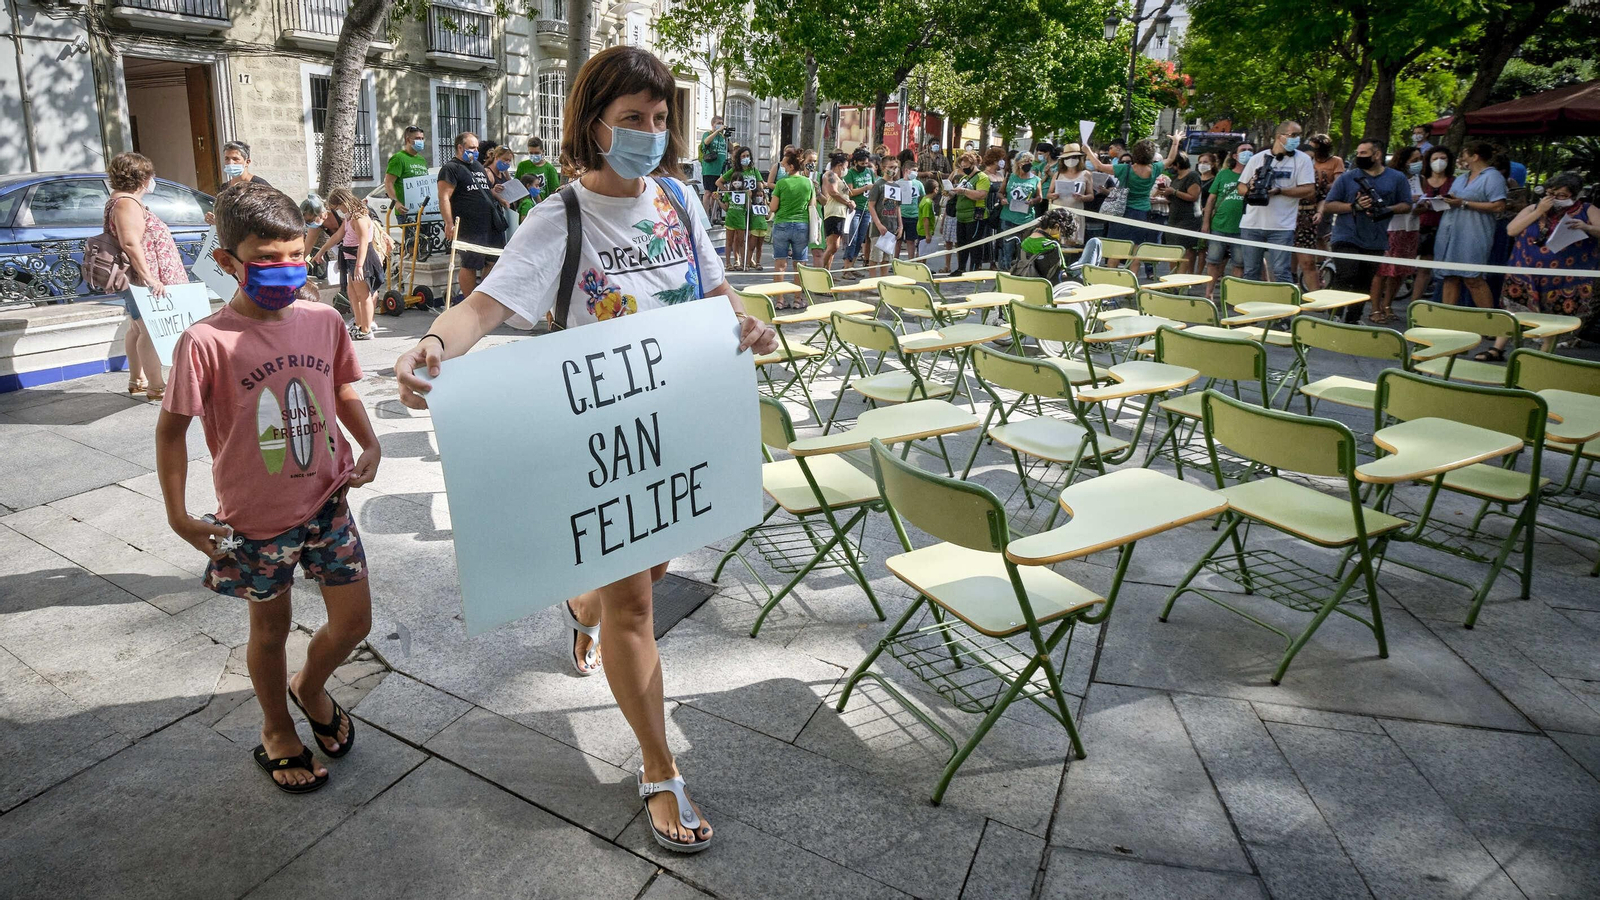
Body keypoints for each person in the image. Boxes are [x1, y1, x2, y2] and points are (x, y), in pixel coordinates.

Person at [393, 46, 776, 851]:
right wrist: (431, 342)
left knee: (654, 571)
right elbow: (488, 307)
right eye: (632, 118)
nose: (648, 132)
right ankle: (659, 769)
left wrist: (744, 322)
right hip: (598, 438)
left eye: (660, 118)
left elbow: (712, 291)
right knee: (635, 604)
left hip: (678, 426)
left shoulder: (678, 199)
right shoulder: (559, 217)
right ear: (594, 122)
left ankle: (579, 603)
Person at [155, 180, 380, 794]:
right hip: (257, 520)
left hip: (328, 502)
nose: (285, 268)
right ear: (228, 261)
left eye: (295, 254)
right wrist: (178, 515)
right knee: (270, 631)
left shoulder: (323, 319)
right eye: (266, 257)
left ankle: (310, 686)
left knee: (354, 621)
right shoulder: (205, 342)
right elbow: (171, 432)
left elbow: (341, 388)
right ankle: (277, 727)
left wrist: (371, 441)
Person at [105, 152, 186, 401]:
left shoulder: (120, 200)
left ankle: (137, 379)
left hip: (139, 279)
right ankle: (156, 386)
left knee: (136, 329)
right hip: (143, 280)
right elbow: (130, 242)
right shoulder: (127, 203)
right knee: (149, 331)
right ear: (142, 178)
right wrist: (149, 278)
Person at [1489, 172, 1600, 356]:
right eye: (1550, 194)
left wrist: (1586, 227)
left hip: (1564, 276)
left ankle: (1544, 353)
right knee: (1514, 308)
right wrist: (1539, 211)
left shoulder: (1587, 210)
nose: (1555, 199)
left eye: (1562, 196)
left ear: (1576, 194)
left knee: (1554, 312)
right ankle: (1497, 348)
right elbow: (1512, 230)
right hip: (1525, 270)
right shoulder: (1534, 208)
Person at [1321, 138, 1413, 323]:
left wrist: (1388, 208)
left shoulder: (1397, 178)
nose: (1359, 157)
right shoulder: (1348, 177)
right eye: (1358, 153)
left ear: (1377, 154)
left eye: (1363, 153)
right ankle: (1335, 314)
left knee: (1364, 280)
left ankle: (1353, 318)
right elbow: (1329, 205)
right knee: (1347, 274)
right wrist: (1353, 206)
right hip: (1346, 235)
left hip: (1376, 238)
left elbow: (1407, 205)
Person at [1434, 141, 1508, 315]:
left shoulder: (1493, 177)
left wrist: (1464, 203)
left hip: (1475, 232)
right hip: (1451, 230)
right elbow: (1456, 199)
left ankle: (1490, 322)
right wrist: (1447, 199)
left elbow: (1498, 206)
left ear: (1475, 157)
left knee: (1472, 277)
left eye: (1464, 155)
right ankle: (1446, 320)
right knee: (1450, 276)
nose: (1461, 159)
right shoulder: (1461, 178)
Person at [1236, 121, 1314, 283]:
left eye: (1299, 136)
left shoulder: (1303, 160)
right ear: (1280, 137)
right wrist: (1253, 190)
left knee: (1281, 271)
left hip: (1282, 226)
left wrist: (1279, 191)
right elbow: (1241, 187)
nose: (1297, 139)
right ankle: (1250, 306)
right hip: (1252, 224)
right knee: (1250, 271)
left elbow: (1309, 189)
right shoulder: (1257, 159)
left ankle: (1284, 307)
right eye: (1294, 135)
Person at [437, 131, 505, 298]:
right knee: (470, 263)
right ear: (460, 147)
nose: (475, 151)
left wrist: (497, 195)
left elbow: (484, 189)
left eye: (476, 148)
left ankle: (482, 296)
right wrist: (448, 223)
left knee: (493, 260)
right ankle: (469, 301)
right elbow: (444, 196)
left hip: (490, 223)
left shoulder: (477, 166)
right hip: (469, 225)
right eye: (471, 148)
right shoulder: (450, 169)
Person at [312, 188, 385, 339]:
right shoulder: (349, 216)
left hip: (361, 259)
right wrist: (321, 251)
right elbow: (338, 235)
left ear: (343, 202)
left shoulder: (359, 219)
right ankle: (359, 324)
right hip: (350, 258)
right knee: (352, 293)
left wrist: (359, 266)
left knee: (363, 295)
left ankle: (366, 329)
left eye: (338, 208)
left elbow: (364, 243)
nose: (338, 211)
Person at [1088, 131, 1183, 244]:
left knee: (1115, 246)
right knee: (1135, 246)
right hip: (1142, 212)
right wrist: (1175, 141)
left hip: (1121, 210)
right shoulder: (1154, 169)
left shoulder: (1124, 169)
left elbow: (1099, 166)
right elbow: (1171, 158)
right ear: (1151, 155)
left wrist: (1087, 150)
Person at [1372, 147, 1424, 324]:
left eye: (1420, 158)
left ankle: (1388, 305)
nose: (1418, 162)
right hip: (1391, 227)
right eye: (1414, 159)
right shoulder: (1391, 178)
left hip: (1411, 228)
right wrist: (1409, 200)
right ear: (1403, 160)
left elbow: (1419, 205)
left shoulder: (1420, 179)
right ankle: (1375, 307)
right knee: (1382, 271)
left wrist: (1426, 205)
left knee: (1400, 271)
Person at [1201, 141, 1252, 299]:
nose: (1247, 153)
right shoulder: (1223, 174)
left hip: (1242, 228)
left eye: (1250, 150)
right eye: (1243, 150)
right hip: (1219, 225)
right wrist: (1206, 223)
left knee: (1239, 264)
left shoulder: (1255, 175)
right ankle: (1208, 293)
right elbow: (1211, 200)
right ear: (1235, 155)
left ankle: (1233, 296)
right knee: (1213, 261)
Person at [1297, 134, 1343, 291]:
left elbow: (1325, 194)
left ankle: (1317, 291)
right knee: (1287, 257)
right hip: (1288, 219)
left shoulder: (1320, 173)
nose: (1310, 161)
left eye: (1312, 157)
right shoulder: (1288, 172)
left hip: (1310, 217)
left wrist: (1319, 211)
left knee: (1309, 258)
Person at [769, 148, 814, 296]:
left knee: (780, 264)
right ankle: (797, 298)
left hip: (782, 224)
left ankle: (780, 299)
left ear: (792, 166)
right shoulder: (808, 183)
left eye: (785, 165)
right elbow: (812, 205)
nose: (783, 168)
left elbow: (773, 207)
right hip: (801, 224)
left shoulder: (781, 184)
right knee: (800, 264)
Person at [1414, 146, 1456, 302]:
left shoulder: (1454, 182)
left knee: (1434, 269)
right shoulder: (1421, 180)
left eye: (1443, 158)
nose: (1439, 162)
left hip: (1442, 228)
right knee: (1415, 267)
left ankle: (1426, 303)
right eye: (1435, 159)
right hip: (1419, 226)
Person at [997, 150, 1043, 270]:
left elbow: (1040, 197)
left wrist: (1032, 201)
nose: (1028, 164)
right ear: (1018, 164)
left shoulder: (1036, 179)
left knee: (1023, 248)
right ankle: (1006, 270)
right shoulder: (1010, 177)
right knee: (1007, 247)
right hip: (1008, 217)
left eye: (1030, 161)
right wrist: (1003, 199)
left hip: (1026, 219)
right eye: (1025, 161)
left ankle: (1021, 270)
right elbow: (1000, 193)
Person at [949, 151, 989, 276]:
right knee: (961, 243)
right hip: (961, 216)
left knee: (974, 243)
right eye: (962, 166)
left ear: (973, 164)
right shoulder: (964, 178)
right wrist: (949, 192)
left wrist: (964, 191)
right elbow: (957, 193)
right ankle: (961, 268)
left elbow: (981, 194)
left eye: (966, 166)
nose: (964, 168)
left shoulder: (982, 177)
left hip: (975, 215)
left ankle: (974, 269)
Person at [1162, 154, 1203, 274]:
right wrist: (1167, 193)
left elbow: (1193, 196)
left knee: (1186, 251)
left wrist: (1174, 192)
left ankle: (1182, 279)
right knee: (1173, 250)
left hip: (1188, 219)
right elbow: (1174, 198)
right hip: (1174, 218)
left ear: (1178, 164)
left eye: (1171, 164)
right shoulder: (1176, 178)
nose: (1169, 167)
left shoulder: (1192, 176)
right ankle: (1172, 277)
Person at [718, 145, 757, 271]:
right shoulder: (735, 172)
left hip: (750, 203)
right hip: (734, 212)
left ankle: (748, 259)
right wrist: (729, 193)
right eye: (743, 156)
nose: (746, 158)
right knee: (732, 239)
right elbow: (719, 182)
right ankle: (735, 261)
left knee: (750, 234)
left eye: (747, 156)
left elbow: (760, 184)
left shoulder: (754, 171)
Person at [840, 148, 876, 277]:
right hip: (854, 209)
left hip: (866, 209)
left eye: (866, 164)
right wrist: (865, 187)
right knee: (852, 238)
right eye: (862, 164)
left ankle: (852, 265)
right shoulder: (850, 174)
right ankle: (846, 267)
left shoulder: (869, 172)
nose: (864, 166)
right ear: (855, 162)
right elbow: (851, 192)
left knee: (860, 239)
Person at [1050, 143, 1094, 245]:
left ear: (1079, 158)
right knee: (1056, 243)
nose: (1070, 160)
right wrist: (1053, 196)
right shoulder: (1058, 174)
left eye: (1074, 157)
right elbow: (1049, 193)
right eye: (1067, 157)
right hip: (1059, 213)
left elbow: (1091, 196)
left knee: (1072, 243)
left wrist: (1082, 197)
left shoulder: (1086, 174)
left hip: (1076, 213)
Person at [866, 157, 903, 277]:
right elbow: (871, 206)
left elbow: (897, 207)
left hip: (891, 227)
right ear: (883, 168)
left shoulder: (897, 186)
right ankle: (872, 282)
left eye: (896, 167)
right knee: (876, 257)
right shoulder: (878, 185)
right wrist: (878, 224)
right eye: (891, 167)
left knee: (887, 258)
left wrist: (900, 225)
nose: (894, 170)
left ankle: (884, 280)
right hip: (879, 228)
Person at [384, 125, 431, 218]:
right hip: (406, 212)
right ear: (408, 140)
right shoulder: (398, 158)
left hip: (423, 211)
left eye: (422, 139)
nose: (421, 141)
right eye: (417, 138)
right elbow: (388, 182)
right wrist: (396, 202)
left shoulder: (422, 160)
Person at [1013, 207, 1071, 281]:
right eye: (1061, 232)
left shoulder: (1024, 243)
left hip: (1025, 281)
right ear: (1056, 226)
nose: (1060, 236)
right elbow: (1062, 272)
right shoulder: (1052, 246)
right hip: (1047, 286)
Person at [820, 151, 854, 271]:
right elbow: (833, 192)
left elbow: (846, 194)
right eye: (846, 166)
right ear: (840, 165)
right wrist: (847, 202)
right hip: (834, 213)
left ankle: (827, 272)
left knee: (833, 248)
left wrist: (850, 201)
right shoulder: (831, 175)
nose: (846, 169)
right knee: (833, 246)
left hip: (841, 213)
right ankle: (819, 271)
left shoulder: (840, 178)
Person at [699, 114, 730, 218]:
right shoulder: (708, 134)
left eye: (722, 123)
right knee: (708, 193)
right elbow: (706, 142)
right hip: (710, 169)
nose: (720, 125)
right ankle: (705, 215)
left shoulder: (722, 137)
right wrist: (717, 131)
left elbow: (731, 149)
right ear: (713, 125)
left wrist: (727, 137)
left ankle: (713, 216)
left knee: (715, 194)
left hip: (720, 170)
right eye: (718, 123)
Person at [515, 136, 562, 202]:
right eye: (531, 153)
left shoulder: (550, 169)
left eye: (536, 153)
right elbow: (516, 186)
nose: (534, 155)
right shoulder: (522, 166)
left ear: (542, 152)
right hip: (525, 205)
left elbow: (554, 191)